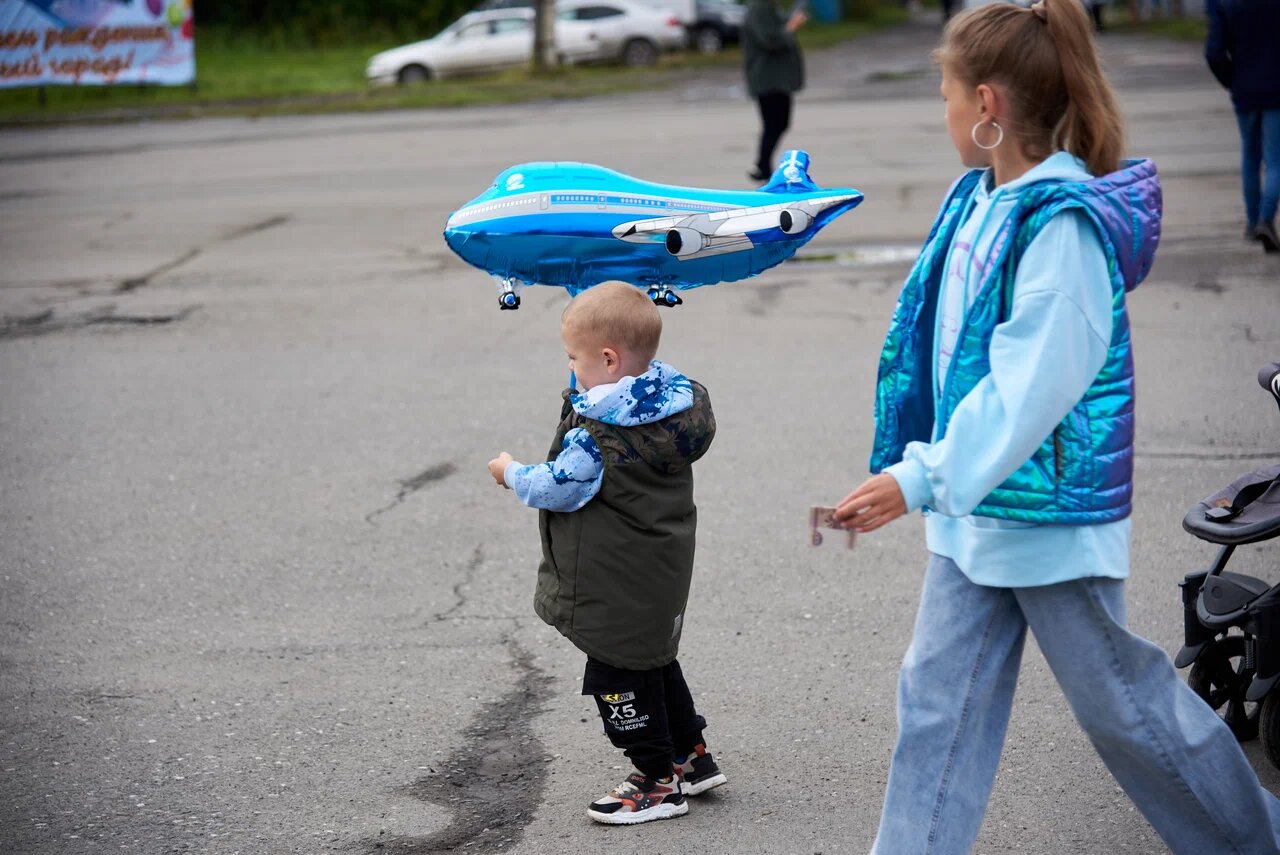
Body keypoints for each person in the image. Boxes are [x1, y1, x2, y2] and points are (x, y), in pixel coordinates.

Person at [832, 1, 1280, 852]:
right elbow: (944, 348)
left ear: (989, 105)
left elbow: (1029, 389)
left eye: (947, 90)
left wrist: (918, 475)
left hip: (1048, 518)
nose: (944, 108)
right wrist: (923, 464)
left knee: (1131, 714)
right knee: (935, 703)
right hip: (979, 511)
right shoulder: (981, 203)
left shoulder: (1061, 225)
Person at [486, 281, 723, 826]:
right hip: (658, 568)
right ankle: (691, 755)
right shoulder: (669, 407)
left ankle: (656, 781)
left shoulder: (599, 436)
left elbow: (553, 486)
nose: (571, 370)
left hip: (613, 578)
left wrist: (509, 472)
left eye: (575, 358)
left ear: (609, 359)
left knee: (617, 675)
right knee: (654, 660)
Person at [1205, 0, 1280, 253]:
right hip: (1276, 92)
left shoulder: (1228, 4)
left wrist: (1232, 80)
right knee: (1275, 160)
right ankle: (1266, 219)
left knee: (1250, 156)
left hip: (1245, 91)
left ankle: (1252, 221)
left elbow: (1213, 52)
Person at [742, 0, 806, 182]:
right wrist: (792, 26)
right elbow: (770, 39)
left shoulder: (768, 6)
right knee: (774, 124)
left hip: (776, 79)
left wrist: (793, 17)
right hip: (769, 79)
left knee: (778, 124)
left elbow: (778, 25)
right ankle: (762, 167)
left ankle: (762, 166)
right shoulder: (760, 7)